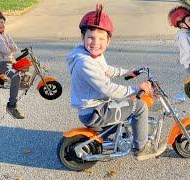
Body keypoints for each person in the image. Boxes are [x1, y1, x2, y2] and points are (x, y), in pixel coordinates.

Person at [66, 4, 167, 160]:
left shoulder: (93, 55)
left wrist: (126, 72)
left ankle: (124, 134)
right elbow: (107, 88)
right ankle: (142, 149)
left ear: (108, 41)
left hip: (97, 106)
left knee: (128, 100)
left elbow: (106, 70)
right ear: (83, 38)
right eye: (90, 37)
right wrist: (136, 89)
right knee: (138, 105)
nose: (95, 42)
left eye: (101, 38)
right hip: (95, 113)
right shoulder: (84, 63)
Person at [0, 9, 24, 119]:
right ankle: (11, 106)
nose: (0, 24)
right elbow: (6, 50)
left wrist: (10, 48)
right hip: (1, 63)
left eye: (2, 22)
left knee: (25, 66)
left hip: (10, 60)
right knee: (16, 76)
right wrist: (10, 48)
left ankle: (16, 85)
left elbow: (15, 48)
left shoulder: (6, 34)